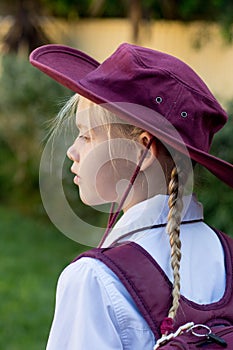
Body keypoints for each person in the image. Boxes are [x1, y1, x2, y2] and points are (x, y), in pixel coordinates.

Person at [30, 43, 233, 349]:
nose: (72, 151)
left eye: (87, 135)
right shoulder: (228, 255)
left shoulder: (94, 280)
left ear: (142, 149)